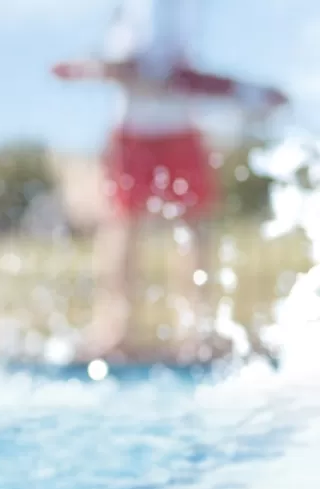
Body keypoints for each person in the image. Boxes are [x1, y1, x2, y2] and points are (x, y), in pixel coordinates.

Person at [52, 0, 288, 361]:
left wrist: (242, 92)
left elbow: (177, 69)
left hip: (180, 125)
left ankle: (198, 328)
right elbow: (125, 65)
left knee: (193, 224)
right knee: (124, 224)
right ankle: (115, 327)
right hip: (134, 128)